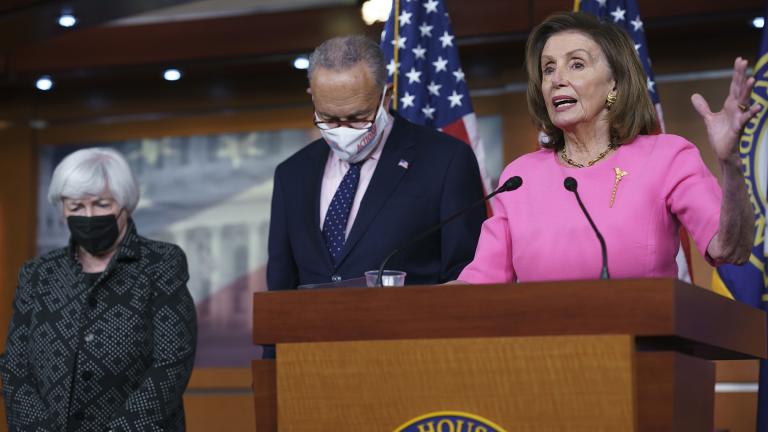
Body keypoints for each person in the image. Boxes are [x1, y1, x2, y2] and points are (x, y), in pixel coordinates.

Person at [458, 12, 755, 283]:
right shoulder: (520, 178)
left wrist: (730, 161)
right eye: (548, 69)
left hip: (642, 337)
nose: (556, 80)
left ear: (614, 82)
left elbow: (730, 249)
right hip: (540, 340)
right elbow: (477, 285)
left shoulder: (667, 157)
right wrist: (413, 300)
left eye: (576, 64)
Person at [267, 35, 486, 290]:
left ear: (386, 96)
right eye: (328, 118)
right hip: (313, 329)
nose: (343, 130)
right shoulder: (291, 174)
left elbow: (464, 276)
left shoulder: (446, 161)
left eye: (358, 117)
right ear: (312, 96)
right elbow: (280, 286)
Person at [0, 148, 197, 431]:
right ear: (62, 210)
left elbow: (172, 361)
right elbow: (15, 367)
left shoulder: (160, 263)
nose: (89, 216)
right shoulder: (38, 274)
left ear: (125, 204)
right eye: (76, 207)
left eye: (102, 204)